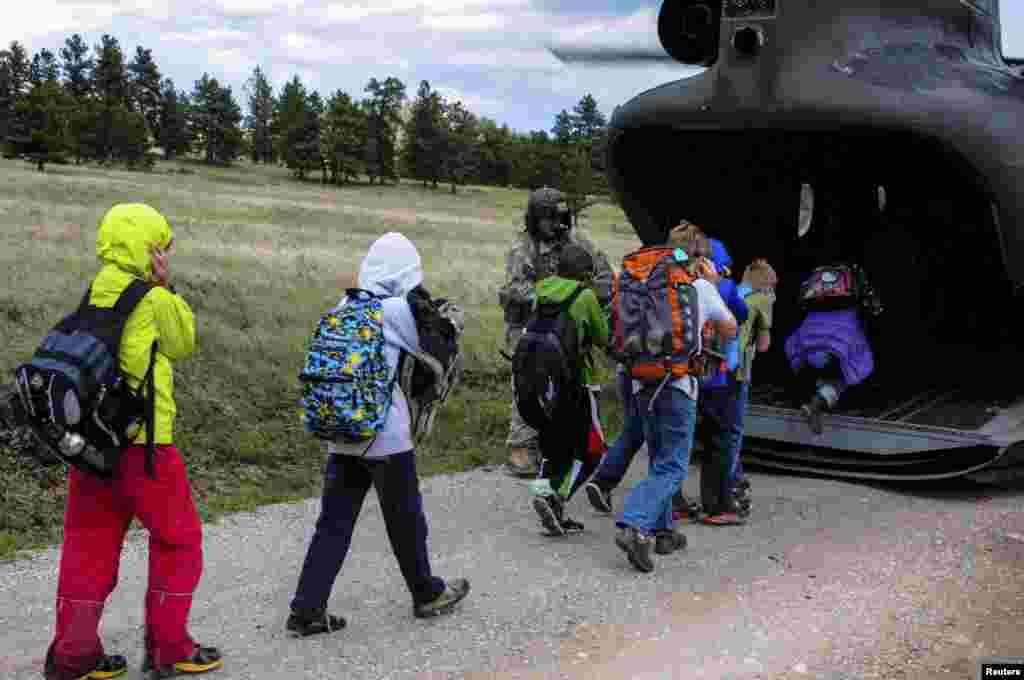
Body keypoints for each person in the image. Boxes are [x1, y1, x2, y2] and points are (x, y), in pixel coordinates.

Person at [43, 204, 223, 680]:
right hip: (146, 446)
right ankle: (170, 649)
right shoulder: (153, 297)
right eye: (164, 245)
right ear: (152, 250)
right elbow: (183, 343)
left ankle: (73, 658)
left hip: (90, 444)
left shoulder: (96, 289)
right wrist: (165, 285)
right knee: (178, 541)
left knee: (88, 545)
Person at [287, 232, 470, 636]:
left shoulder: (345, 305)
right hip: (385, 435)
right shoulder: (398, 311)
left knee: (333, 522)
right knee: (406, 520)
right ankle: (426, 593)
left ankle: (307, 607)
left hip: (343, 432)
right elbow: (439, 347)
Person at [605, 229, 737, 573]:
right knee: (674, 465)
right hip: (677, 383)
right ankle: (635, 522)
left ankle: (662, 533)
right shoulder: (700, 287)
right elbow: (731, 329)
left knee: (659, 458)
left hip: (640, 381)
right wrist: (713, 284)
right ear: (699, 257)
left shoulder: (641, 281)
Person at [498, 187, 613, 477]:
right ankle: (521, 446)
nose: (555, 224)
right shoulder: (523, 248)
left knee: (571, 386)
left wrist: (584, 296)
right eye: (547, 218)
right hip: (530, 328)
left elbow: (604, 278)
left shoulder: (579, 243)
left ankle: (568, 445)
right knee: (527, 384)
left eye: (559, 217)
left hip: (569, 329)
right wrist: (549, 294)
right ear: (534, 219)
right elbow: (513, 288)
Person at [521, 242, 610, 536]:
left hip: (542, 382)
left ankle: (542, 496)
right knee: (592, 450)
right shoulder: (584, 295)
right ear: (585, 274)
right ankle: (556, 498)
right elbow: (603, 337)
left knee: (549, 450)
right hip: (577, 381)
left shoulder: (542, 288)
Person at [785, 261, 883, 434]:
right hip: (833, 353)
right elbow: (858, 338)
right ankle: (814, 406)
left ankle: (805, 399)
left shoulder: (813, 312)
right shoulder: (849, 312)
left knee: (814, 374)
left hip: (808, 350)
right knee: (839, 381)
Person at [727, 258, 778, 518]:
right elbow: (764, 346)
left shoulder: (731, 291)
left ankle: (734, 476)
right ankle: (732, 482)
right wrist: (767, 315)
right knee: (734, 430)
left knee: (719, 428)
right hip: (738, 371)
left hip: (715, 367)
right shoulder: (761, 300)